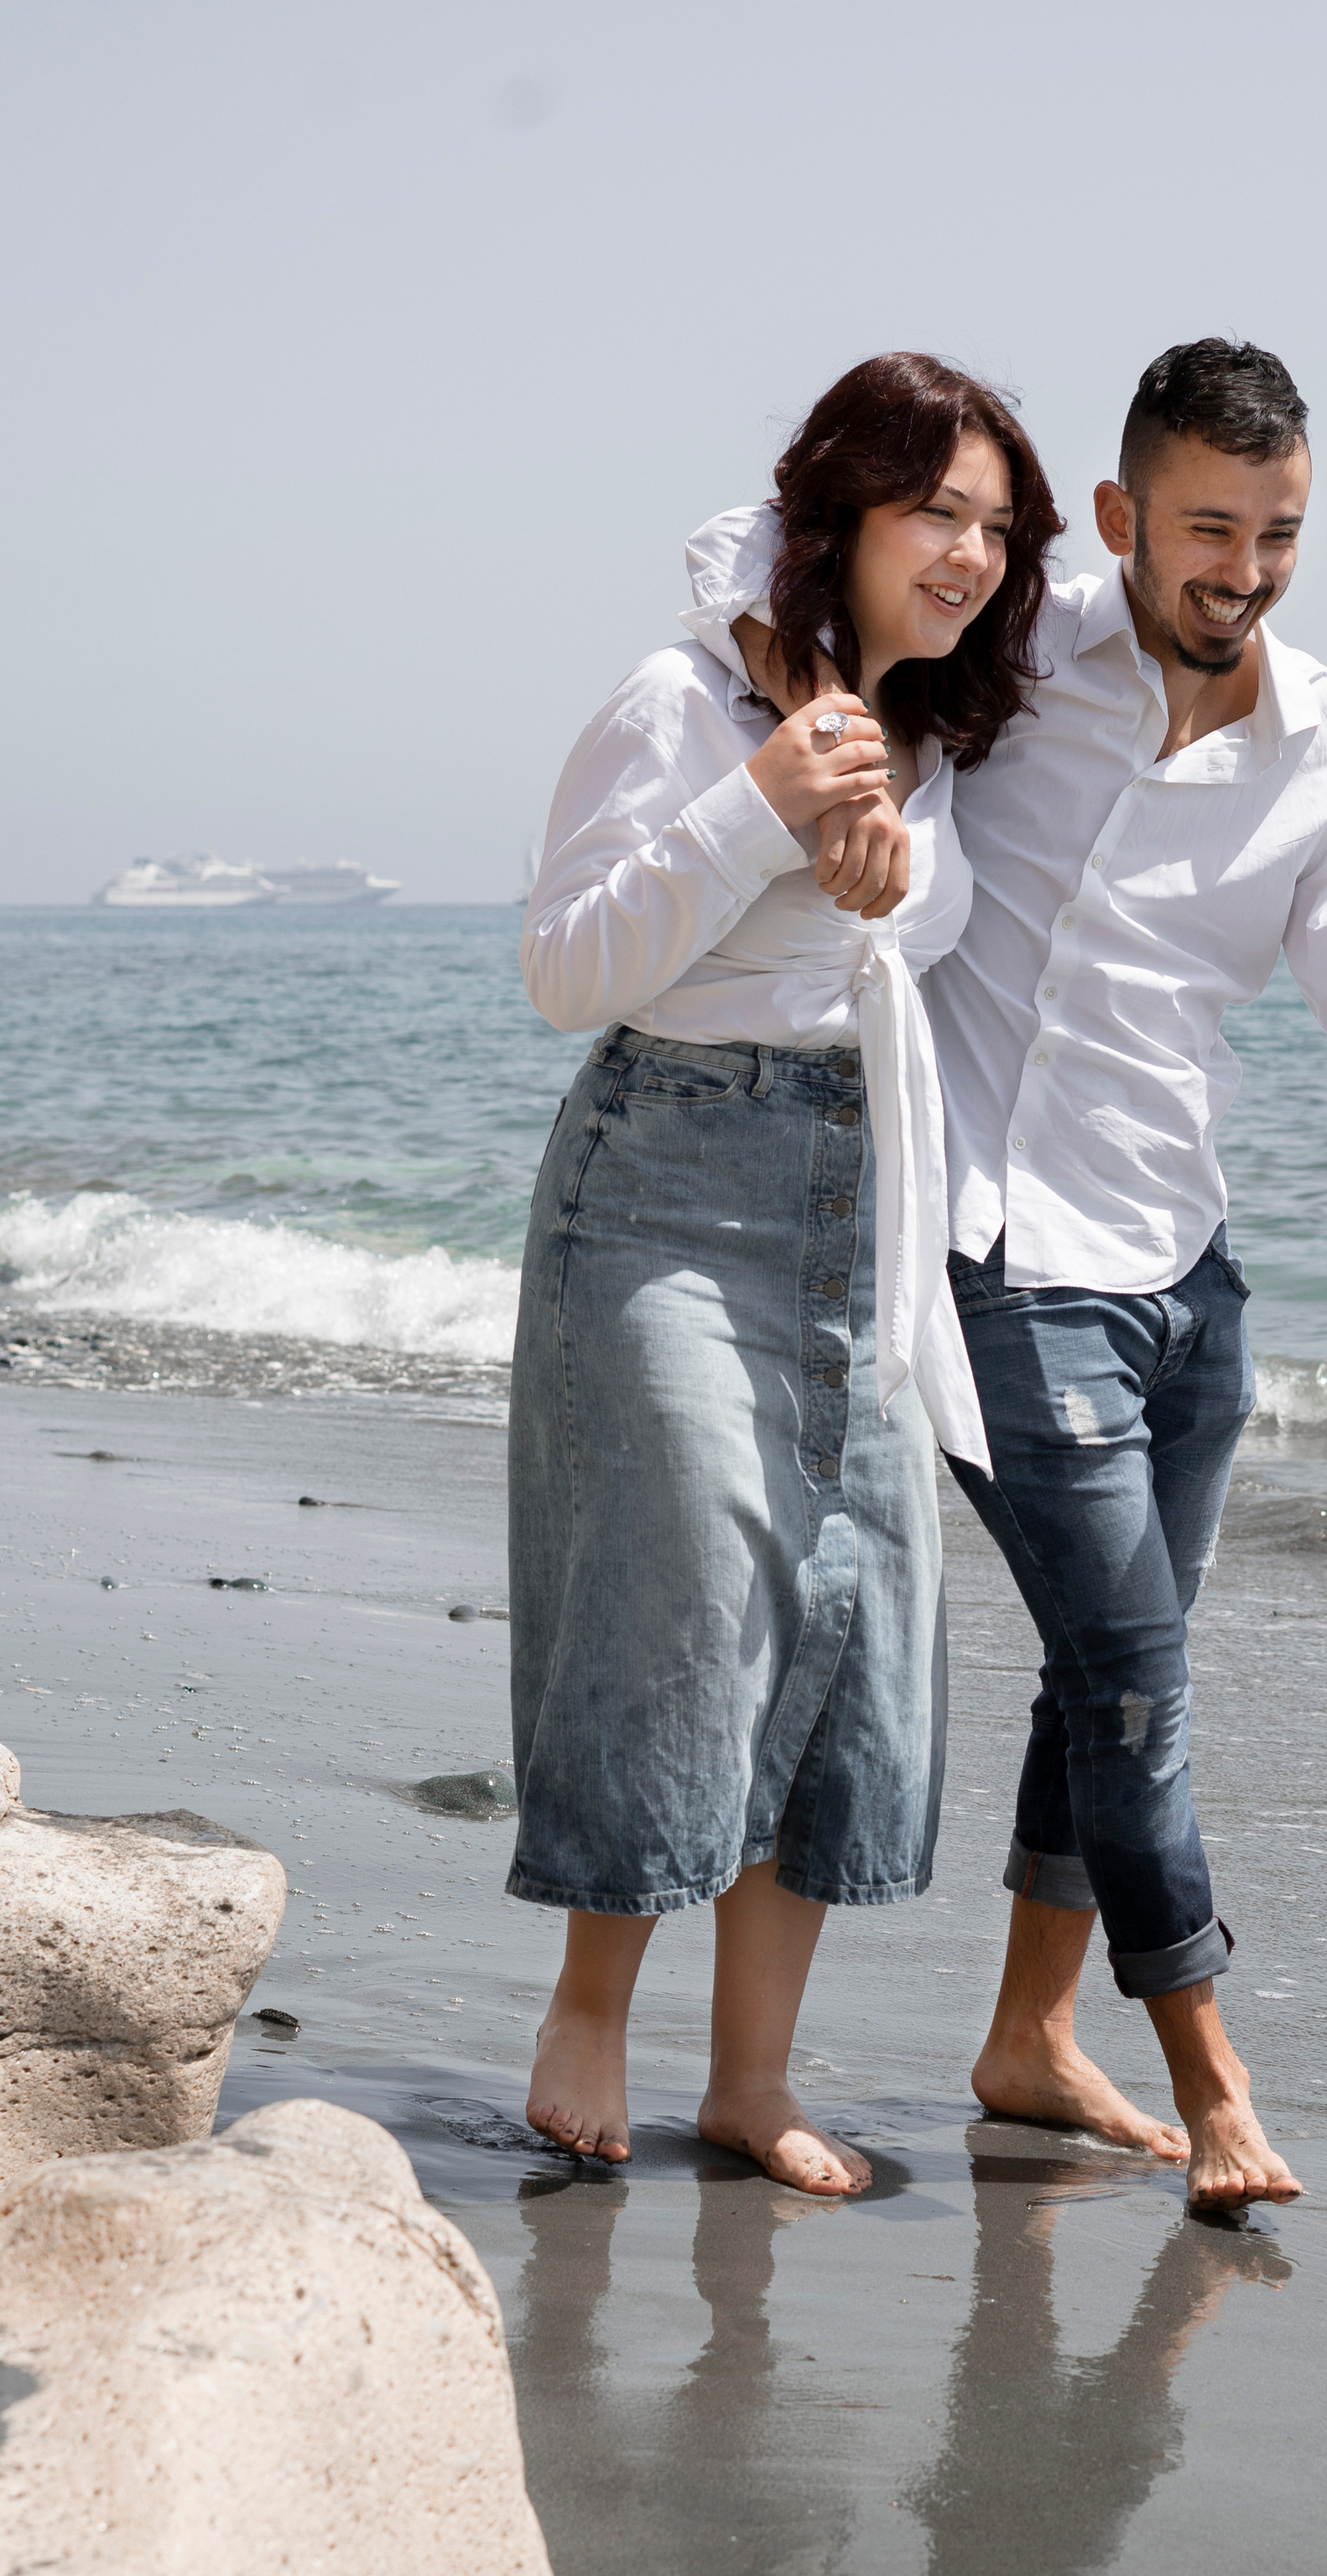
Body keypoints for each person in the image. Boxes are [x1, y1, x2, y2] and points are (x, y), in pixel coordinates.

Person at [705, 338, 1327, 2210]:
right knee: (1134, 1681)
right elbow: (754, 540)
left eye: (1279, 532)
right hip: (995, 1248)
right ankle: (1213, 2083)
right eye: (1208, 527)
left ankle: (1028, 2040)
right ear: (1127, 518)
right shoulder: (1019, 640)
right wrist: (788, 679)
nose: (1244, 568)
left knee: (1105, 1674)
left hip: (1178, 1266)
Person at [512, 353, 1062, 2197]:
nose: (974, 554)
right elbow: (567, 968)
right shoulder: (681, 704)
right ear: (840, 516)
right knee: (679, 1601)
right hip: (663, 1183)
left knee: (838, 1620)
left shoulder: (930, 733)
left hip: (859, 1203)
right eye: (940, 516)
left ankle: (751, 2083)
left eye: (999, 528)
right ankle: (589, 2013)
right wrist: (755, 802)